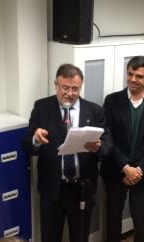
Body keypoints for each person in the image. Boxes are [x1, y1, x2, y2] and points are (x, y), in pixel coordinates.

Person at [23, 64, 112, 242]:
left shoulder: (95, 111)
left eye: (75, 88)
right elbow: (26, 144)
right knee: (50, 237)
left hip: (82, 188)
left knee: (80, 237)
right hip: (52, 189)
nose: (70, 93)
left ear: (81, 86)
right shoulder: (41, 107)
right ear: (56, 84)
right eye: (65, 88)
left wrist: (99, 147)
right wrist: (36, 140)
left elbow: (108, 144)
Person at [100, 56, 144, 242]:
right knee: (113, 220)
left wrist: (139, 170)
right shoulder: (112, 100)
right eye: (130, 74)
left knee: (143, 223)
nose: (132, 79)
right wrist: (125, 167)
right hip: (116, 171)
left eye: (138, 76)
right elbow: (107, 137)